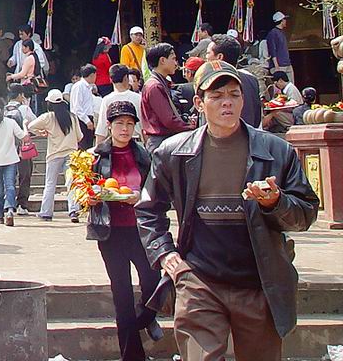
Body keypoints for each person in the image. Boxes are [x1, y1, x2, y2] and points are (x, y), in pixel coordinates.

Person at [137, 61, 320, 361]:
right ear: (199, 102)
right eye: (217, 95)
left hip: (259, 282)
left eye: (234, 95)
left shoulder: (276, 151)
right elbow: (148, 210)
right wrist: (166, 254)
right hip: (199, 280)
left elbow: (306, 213)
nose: (227, 102)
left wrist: (275, 202)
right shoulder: (174, 152)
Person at [86, 101, 162, 361]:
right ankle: (132, 356)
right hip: (111, 233)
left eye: (130, 124)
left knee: (153, 282)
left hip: (142, 231)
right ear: (109, 126)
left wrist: (140, 198)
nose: (125, 129)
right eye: (120, 124)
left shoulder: (144, 156)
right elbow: (80, 191)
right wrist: (91, 198)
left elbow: (158, 192)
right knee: (122, 294)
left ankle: (145, 317)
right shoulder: (95, 157)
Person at [28, 89, 82, 222]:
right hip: (71, 154)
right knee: (72, 183)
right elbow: (80, 137)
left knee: (50, 184)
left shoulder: (48, 117)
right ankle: (74, 211)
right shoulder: (73, 117)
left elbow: (30, 126)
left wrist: (42, 133)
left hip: (54, 154)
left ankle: (46, 212)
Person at [140, 43, 193, 150]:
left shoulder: (160, 82)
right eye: (173, 59)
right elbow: (168, 120)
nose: (176, 63)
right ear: (163, 60)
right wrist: (190, 127)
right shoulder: (155, 86)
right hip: (160, 141)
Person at [205, 34, 262, 128]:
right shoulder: (251, 79)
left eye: (208, 53)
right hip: (250, 137)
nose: (206, 57)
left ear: (219, 57)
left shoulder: (211, 82)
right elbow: (257, 117)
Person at [5, 84, 37, 214]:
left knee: (9, 177)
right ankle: (22, 205)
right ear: (20, 95)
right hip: (22, 147)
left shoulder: (3, 109)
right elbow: (34, 123)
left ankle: (9, 205)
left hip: (7, 148)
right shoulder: (24, 108)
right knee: (25, 175)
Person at [96, 65, 142, 144]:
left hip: (116, 144)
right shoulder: (138, 98)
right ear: (126, 78)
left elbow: (102, 129)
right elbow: (144, 126)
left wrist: (98, 150)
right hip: (137, 143)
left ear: (110, 79)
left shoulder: (107, 100)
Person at [261, 70, 302, 135]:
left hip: (294, 116)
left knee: (276, 113)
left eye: (276, 82)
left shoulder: (291, 89)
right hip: (289, 113)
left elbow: (295, 106)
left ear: (280, 80)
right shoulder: (285, 89)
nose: (275, 85)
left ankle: (289, 126)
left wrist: (280, 106)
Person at [70, 63, 98, 149]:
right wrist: (87, 121)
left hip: (88, 117)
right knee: (82, 145)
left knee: (88, 146)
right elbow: (77, 107)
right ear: (92, 75)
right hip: (81, 120)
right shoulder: (79, 86)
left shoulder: (89, 87)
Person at [264, 12, 294, 83]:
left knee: (290, 84)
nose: (285, 21)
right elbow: (272, 50)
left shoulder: (281, 32)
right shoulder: (273, 33)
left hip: (287, 63)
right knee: (281, 85)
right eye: (284, 19)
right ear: (281, 20)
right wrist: (276, 66)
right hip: (279, 65)